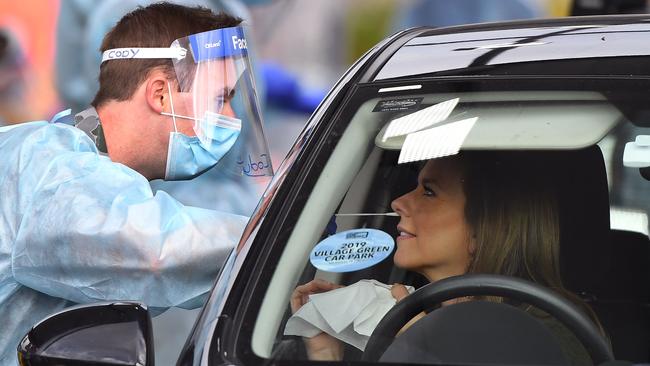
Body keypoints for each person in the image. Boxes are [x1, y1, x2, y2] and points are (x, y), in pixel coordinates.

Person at [0, 3, 273, 365]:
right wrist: (286, 232)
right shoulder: (49, 169)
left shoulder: (78, 160)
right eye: (220, 98)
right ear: (160, 94)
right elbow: (156, 251)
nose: (231, 119)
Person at [291, 151, 604, 364]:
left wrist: (424, 348)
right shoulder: (419, 314)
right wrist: (325, 353)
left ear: (485, 227)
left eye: (429, 192)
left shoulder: (553, 332)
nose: (398, 201)